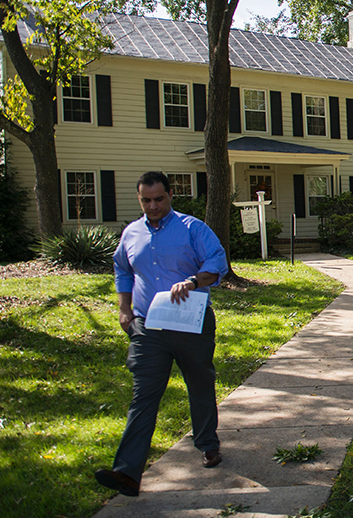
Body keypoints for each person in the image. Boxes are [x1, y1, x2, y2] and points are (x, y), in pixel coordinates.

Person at [95, 171, 229, 497]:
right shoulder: (131, 234)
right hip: (147, 326)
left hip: (190, 322)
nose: (152, 206)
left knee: (199, 385)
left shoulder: (192, 228)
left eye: (158, 199)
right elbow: (123, 271)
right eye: (146, 200)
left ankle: (208, 444)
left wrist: (194, 281)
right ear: (139, 199)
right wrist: (124, 309)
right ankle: (127, 473)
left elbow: (218, 261)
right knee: (144, 396)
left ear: (170, 195)